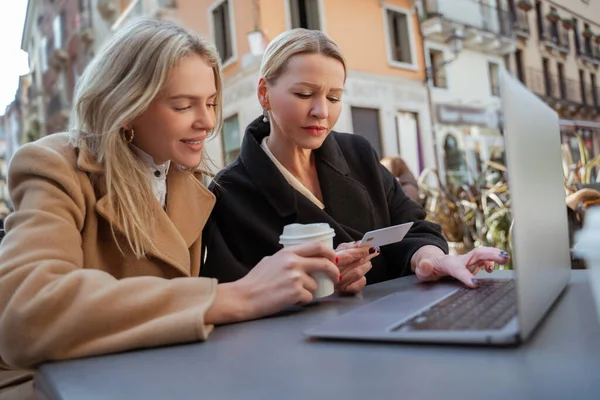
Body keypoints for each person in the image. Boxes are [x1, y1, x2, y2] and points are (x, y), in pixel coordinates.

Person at [0, 19, 341, 399]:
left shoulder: (186, 181)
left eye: (211, 103)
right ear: (126, 105)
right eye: (183, 105)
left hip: (150, 373)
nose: (208, 121)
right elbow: (26, 312)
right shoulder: (55, 165)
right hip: (53, 383)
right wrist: (230, 296)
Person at [202, 29, 509, 293]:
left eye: (334, 98)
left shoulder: (358, 153)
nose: (322, 111)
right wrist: (319, 285)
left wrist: (429, 259)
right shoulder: (230, 192)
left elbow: (414, 226)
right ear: (263, 93)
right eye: (304, 94)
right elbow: (236, 297)